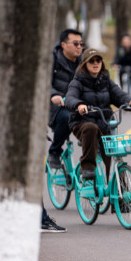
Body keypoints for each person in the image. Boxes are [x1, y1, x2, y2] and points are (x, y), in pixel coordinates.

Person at [65, 48, 131, 180]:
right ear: (84, 64)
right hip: (82, 123)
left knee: (114, 154)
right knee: (91, 128)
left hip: (105, 124)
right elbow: (70, 98)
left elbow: (119, 94)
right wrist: (79, 105)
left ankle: (120, 193)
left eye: (98, 60)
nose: (95, 63)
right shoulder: (77, 82)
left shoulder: (106, 80)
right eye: (91, 61)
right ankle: (87, 170)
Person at [47, 29, 83, 169]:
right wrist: (53, 95)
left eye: (81, 43)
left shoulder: (84, 61)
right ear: (63, 44)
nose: (79, 47)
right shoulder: (52, 59)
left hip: (78, 104)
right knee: (68, 117)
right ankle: (54, 151)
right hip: (56, 107)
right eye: (75, 43)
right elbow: (44, 83)